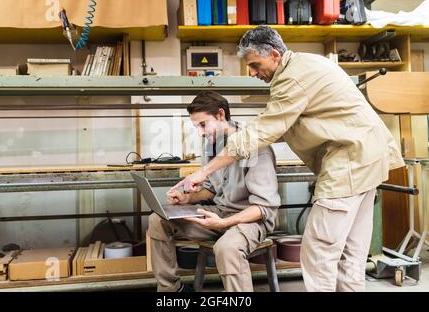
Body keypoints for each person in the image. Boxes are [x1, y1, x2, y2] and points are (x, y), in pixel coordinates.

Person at [171, 26, 405, 292]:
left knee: (318, 255)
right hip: (367, 161)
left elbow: (266, 130)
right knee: (351, 257)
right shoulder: (306, 65)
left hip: (348, 165)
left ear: (274, 54)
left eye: (255, 65)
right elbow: (283, 126)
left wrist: (201, 173)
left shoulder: (291, 79)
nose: (253, 72)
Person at [147, 91, 280, 292]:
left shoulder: (255, 146)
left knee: (226, 248)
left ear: (220, 115)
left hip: (251, 219)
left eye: (203, 125)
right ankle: (171, 291)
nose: (200, 132)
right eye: (196, 127)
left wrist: (224, 223)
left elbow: (264, 208)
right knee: (158, 220)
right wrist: (187, 198)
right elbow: (209, 190)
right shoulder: (211, 143)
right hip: (220, 212)